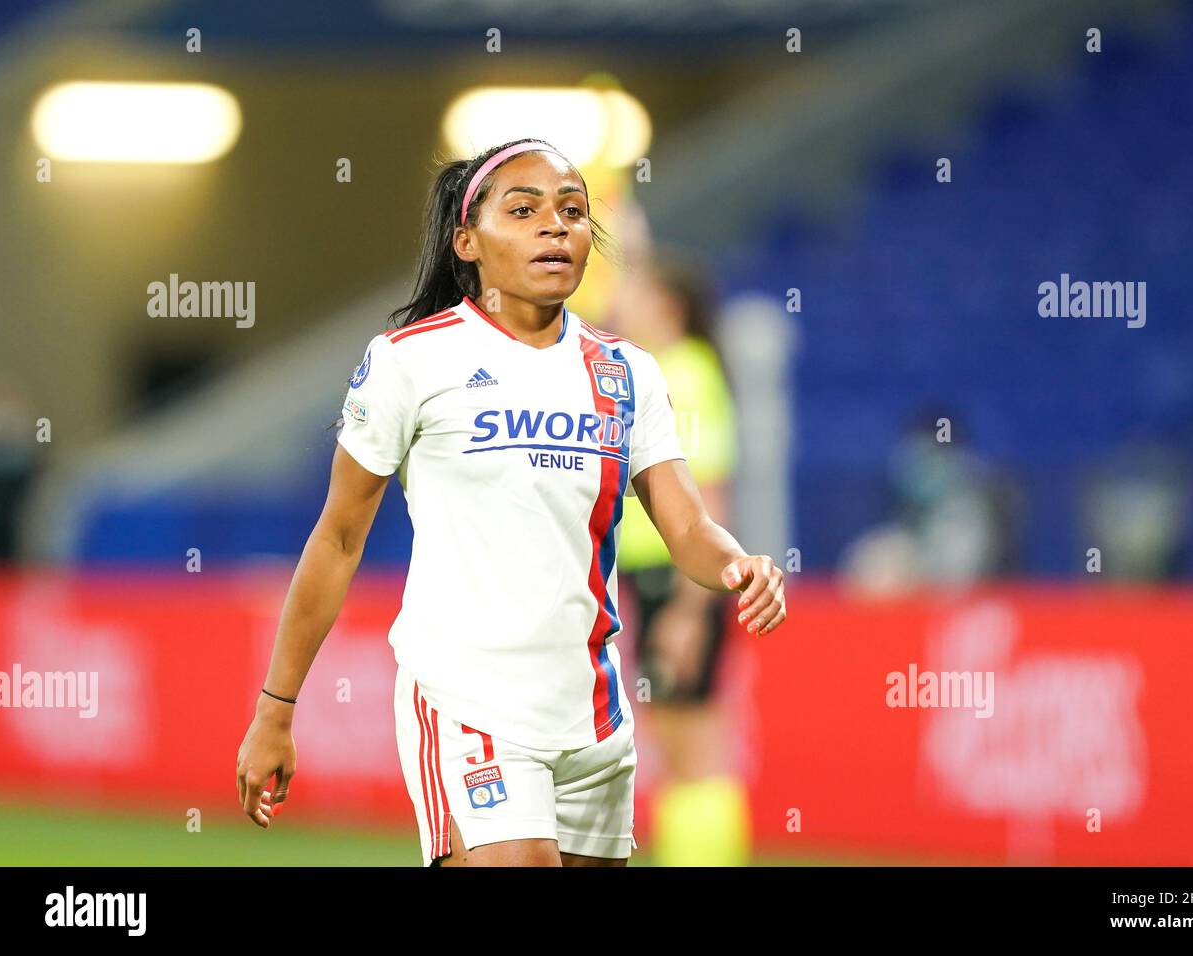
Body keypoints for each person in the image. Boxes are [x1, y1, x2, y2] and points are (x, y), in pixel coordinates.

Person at [234, 139, 788, 867]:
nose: (555, 227)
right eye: (523, 211)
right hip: (469, 705)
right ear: (468, 240)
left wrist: (737, 566)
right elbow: (337, 539)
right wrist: (276, 709)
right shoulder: (410, 362)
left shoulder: (628, 374)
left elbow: (686, 524)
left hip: (592, 717)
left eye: (572, 212)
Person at [607, 250, 751, 866]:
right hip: (662, 576)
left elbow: (709, 494)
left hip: (683, 578)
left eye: (639, 294)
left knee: (692, 744)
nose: (623, 306)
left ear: (668, 309)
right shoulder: (668, 373)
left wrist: (691, 610)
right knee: (679, 737)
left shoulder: (684, 378)